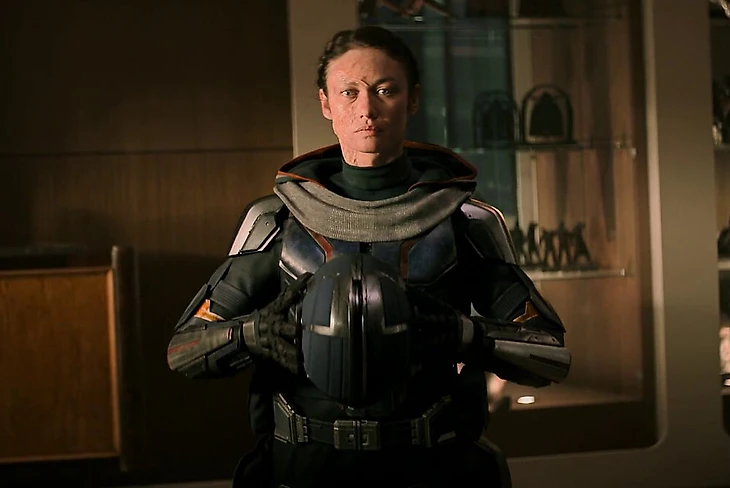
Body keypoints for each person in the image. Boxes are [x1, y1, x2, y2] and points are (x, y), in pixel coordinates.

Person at [166, 25, 571, 488]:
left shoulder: (463, 220)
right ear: (326, 104)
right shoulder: (277, 220)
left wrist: (464, 335)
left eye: (385, 90)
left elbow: (550, 355)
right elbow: (183, 351)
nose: (367, 110)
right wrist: (255, 333)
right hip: (305, 469)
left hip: (431, 469)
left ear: (412, 99)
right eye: (349, 92)